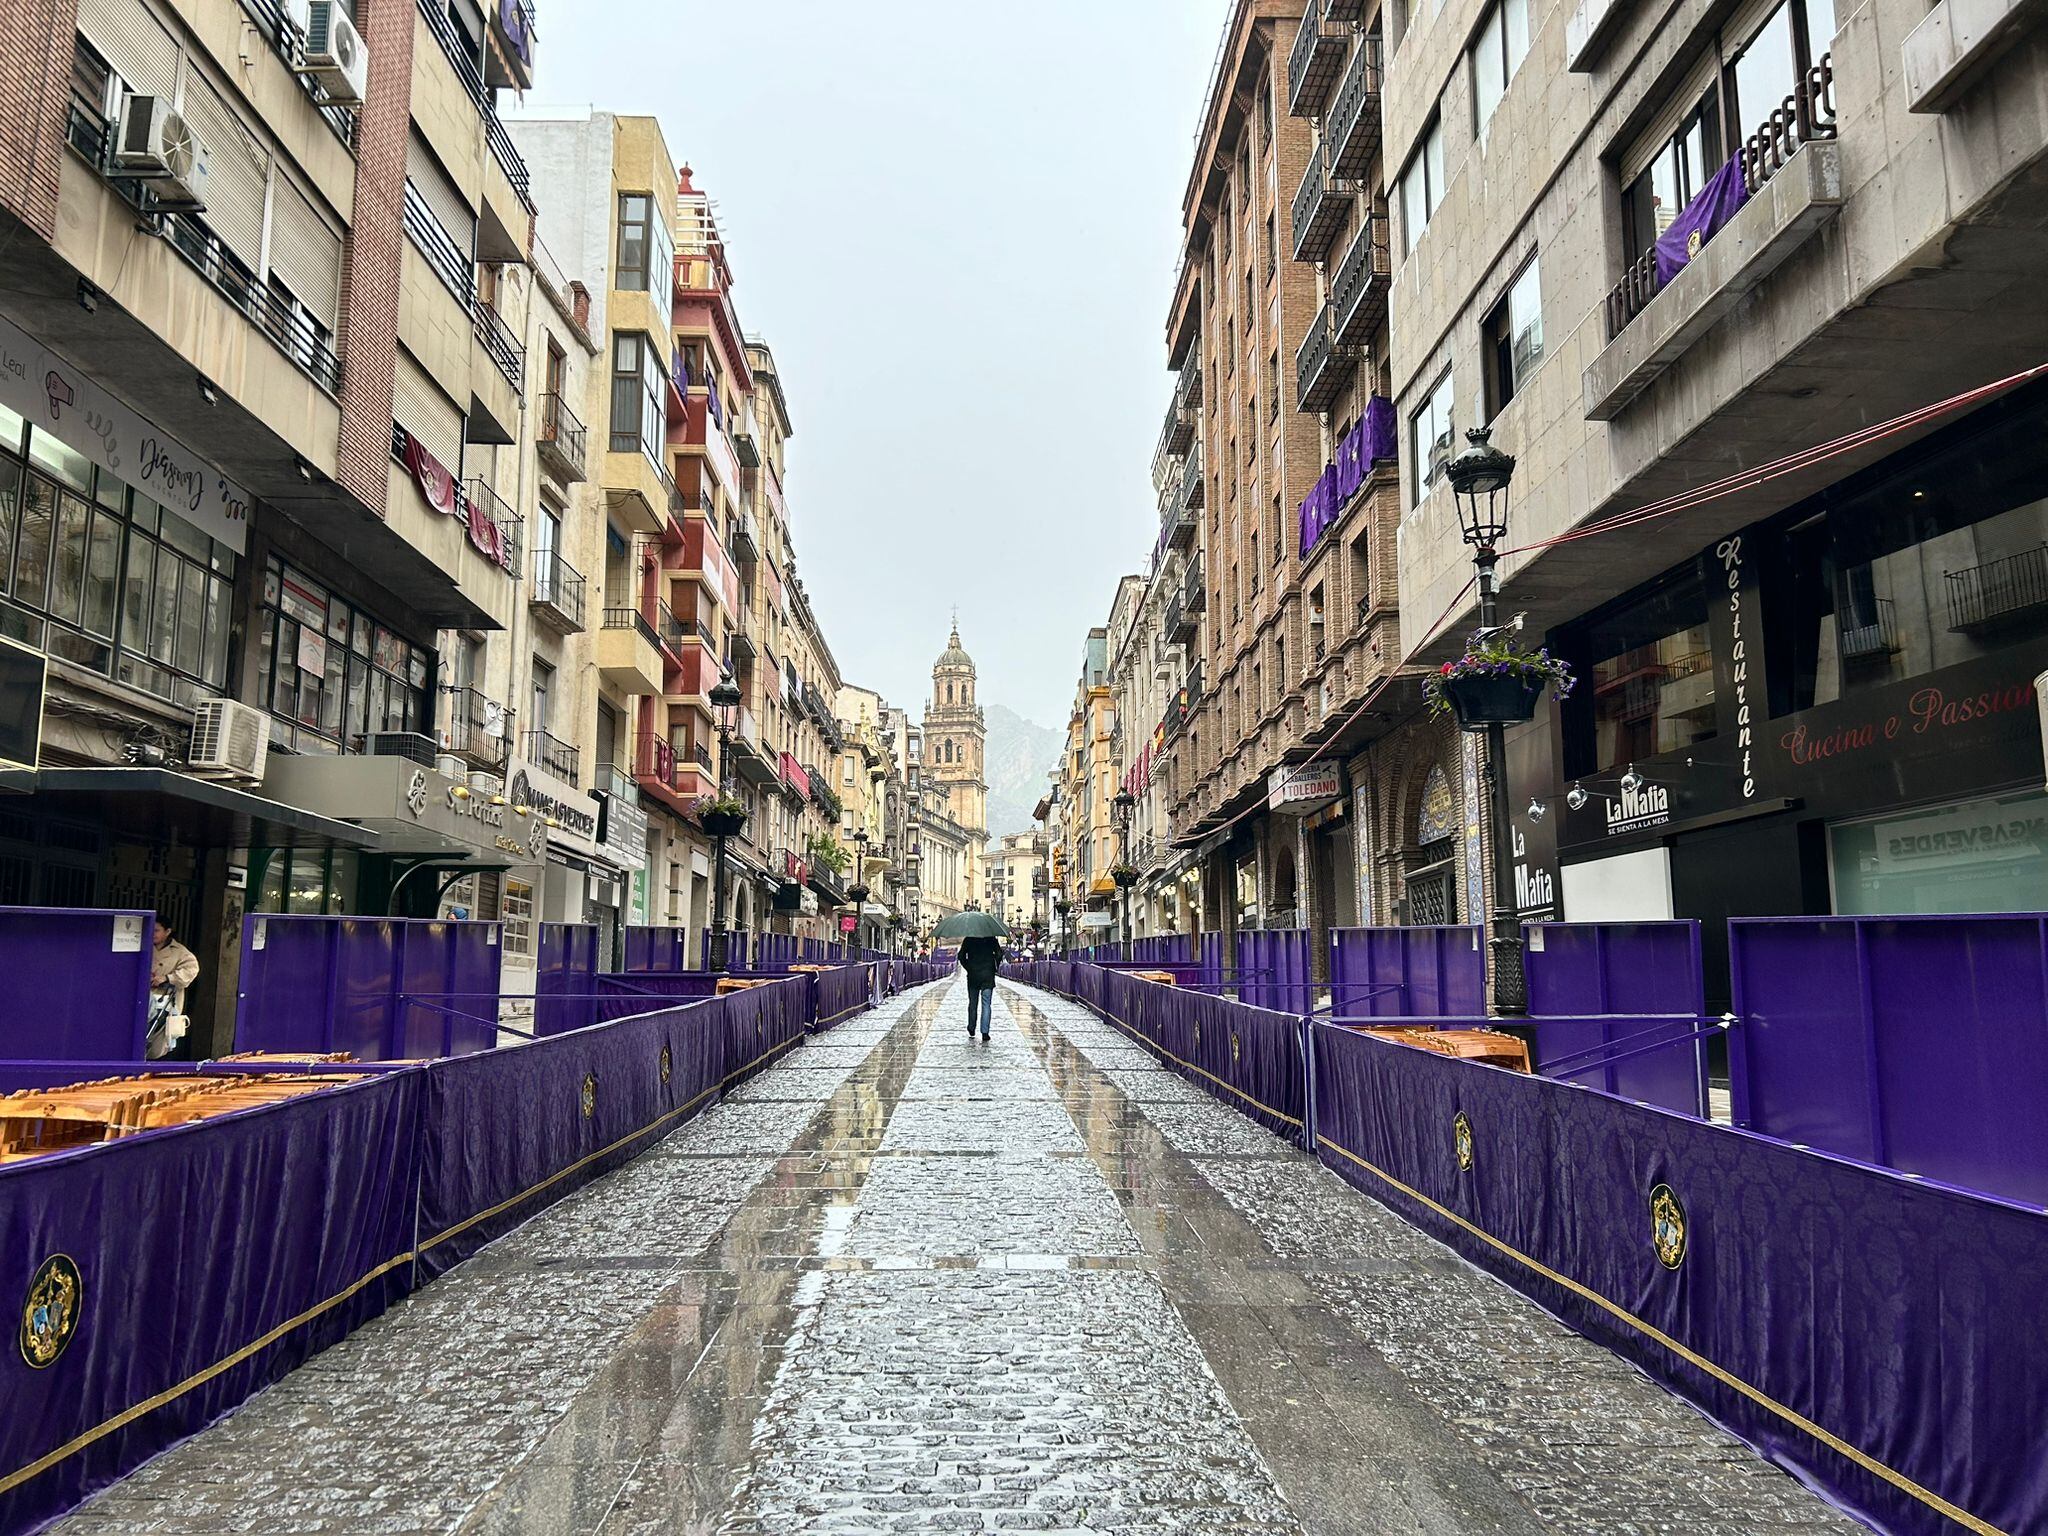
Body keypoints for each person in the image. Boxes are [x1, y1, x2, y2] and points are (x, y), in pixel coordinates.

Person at [148, 919, 200, 1061]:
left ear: (167, 932)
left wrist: (168, 978)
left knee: (158, 1041)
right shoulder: (141, 945)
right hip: (143, 999)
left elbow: (191, 970)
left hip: (165, 1002)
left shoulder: (180, 952)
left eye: (157, 930)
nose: (153, 934)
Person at [957, 932, 1002, 1042]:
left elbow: (961, 956)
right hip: (988, 975)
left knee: (973, 1003)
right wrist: (995, 965)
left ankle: (971, 1027)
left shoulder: (969, 938)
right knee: (986, 1004)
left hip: (973, 976)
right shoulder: (991, 938)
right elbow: (999, 954)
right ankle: (985, 1032)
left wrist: (968, 967)